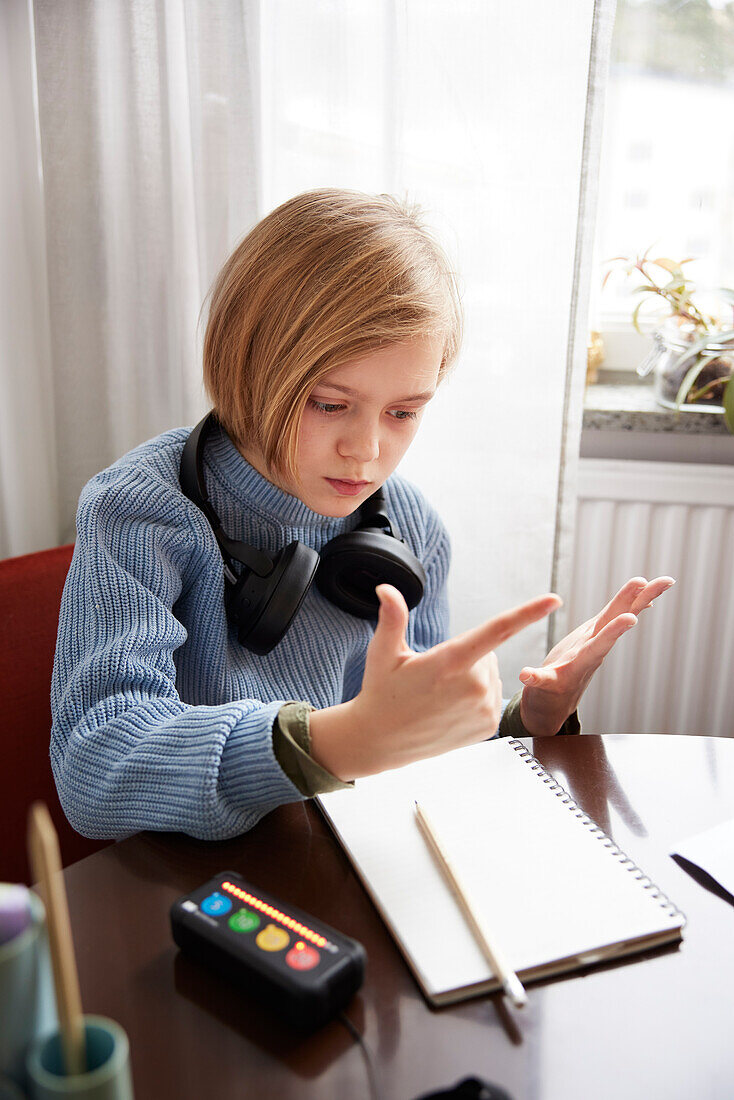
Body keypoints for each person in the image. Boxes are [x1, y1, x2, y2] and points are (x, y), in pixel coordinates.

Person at [50, 189, 673, 841]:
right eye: (328, 403)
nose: (368, 450)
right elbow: (95, 766)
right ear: (249, 364)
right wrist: (333, 742)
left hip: (343, 859)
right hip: (190, 887)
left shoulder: (410, 527)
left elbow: (416, 743)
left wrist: (528, 721)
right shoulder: (141, 511)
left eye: (403, 412)